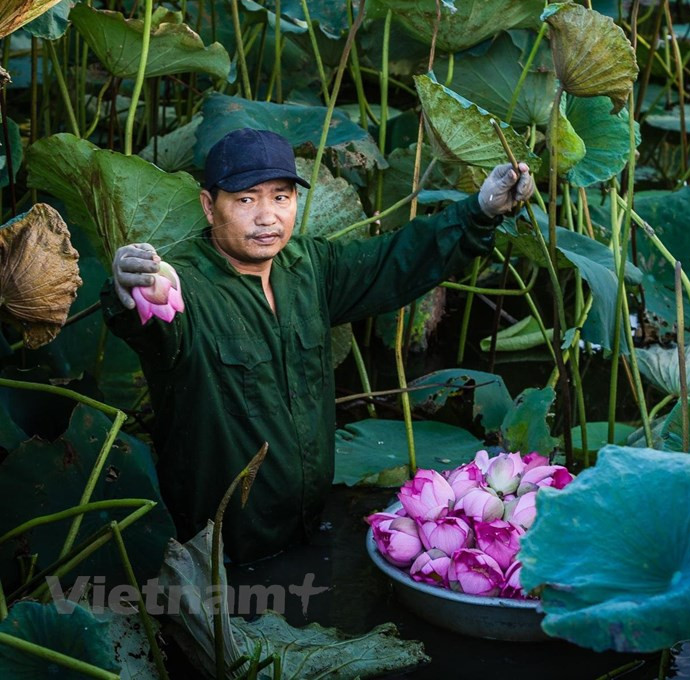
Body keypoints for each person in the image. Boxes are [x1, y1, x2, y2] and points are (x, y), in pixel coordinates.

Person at [103, 127, 534, 564]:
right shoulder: (185, 286)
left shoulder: (309, 267)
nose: (267, 216)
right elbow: (153, 328)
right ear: (209, 206)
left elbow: (394, 261)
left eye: (281, 197)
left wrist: (480, 210)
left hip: (308, 525)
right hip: (224, 547)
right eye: (246, 199)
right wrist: (130, 287)